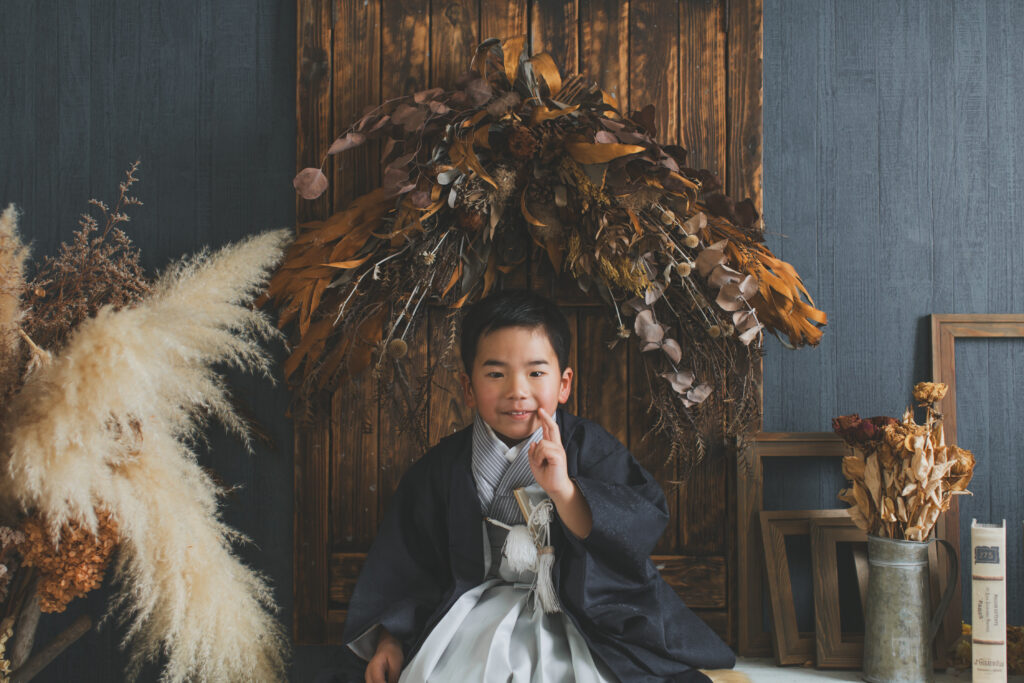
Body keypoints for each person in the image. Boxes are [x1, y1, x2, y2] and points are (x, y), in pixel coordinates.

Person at [320, 290, 737, 683]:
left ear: (564, 383)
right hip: (470, 612)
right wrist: (390, 639)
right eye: (496, 373)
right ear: (467, 387)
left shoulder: (589, 448)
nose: (516, 391)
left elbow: (637, 526)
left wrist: (564, 491)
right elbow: (407, 568)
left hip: (577, 611)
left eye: (536, 372)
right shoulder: (441, 467)